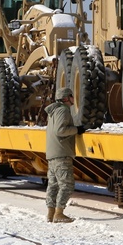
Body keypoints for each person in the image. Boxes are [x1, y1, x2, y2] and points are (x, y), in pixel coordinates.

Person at [44, 87, 85, 222]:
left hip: (53, 153)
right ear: (66, 98)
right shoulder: (63, 110)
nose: (74, 98)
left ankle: (51, 213)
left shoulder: (54, 112)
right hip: (61, 153)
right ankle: (59, 213)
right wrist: (77, 129)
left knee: (53, 184)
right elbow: (60, 130)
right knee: (67, 184)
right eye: (72, 96)